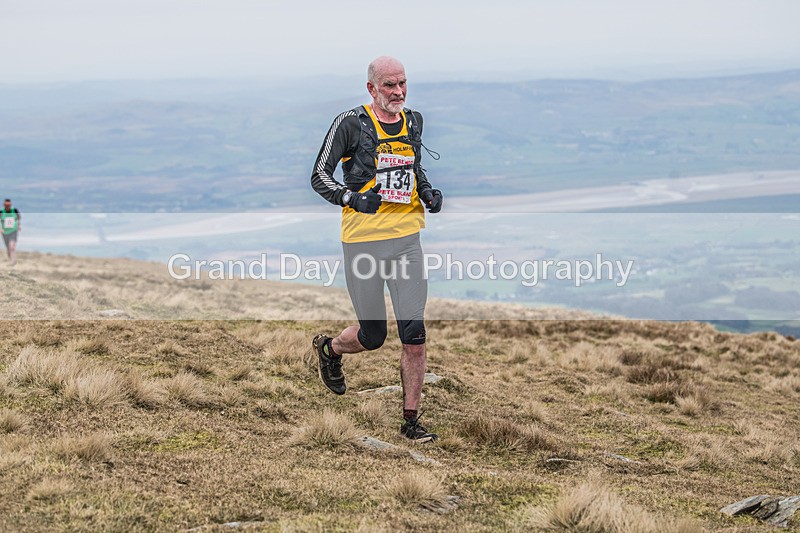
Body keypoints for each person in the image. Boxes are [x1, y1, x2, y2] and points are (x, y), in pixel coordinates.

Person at [310, 56, 444, 443]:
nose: (398, 92)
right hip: (364, 243)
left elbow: (413, 167)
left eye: (402, 83)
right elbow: (319, 176)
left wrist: (427, 192)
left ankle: (411, 422)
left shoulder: (413, 120)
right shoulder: (350, 122)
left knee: (414, 336)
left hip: (407, 241)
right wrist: (352, 198)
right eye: (389, 85)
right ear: (372, 88)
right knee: (372, 336)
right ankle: (331, 349)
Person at [1, 199, 21, 266]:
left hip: (13, 231)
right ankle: (11, 260)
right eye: (6, 205)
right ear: (3, 205)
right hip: (5, 232)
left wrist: (19, 225)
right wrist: (0, 228)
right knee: (8, 248)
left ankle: (13, 261)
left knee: (12, 246)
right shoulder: (1, 212)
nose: (7, 206)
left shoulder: (15, 211)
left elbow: (18, 218)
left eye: (9, 205)